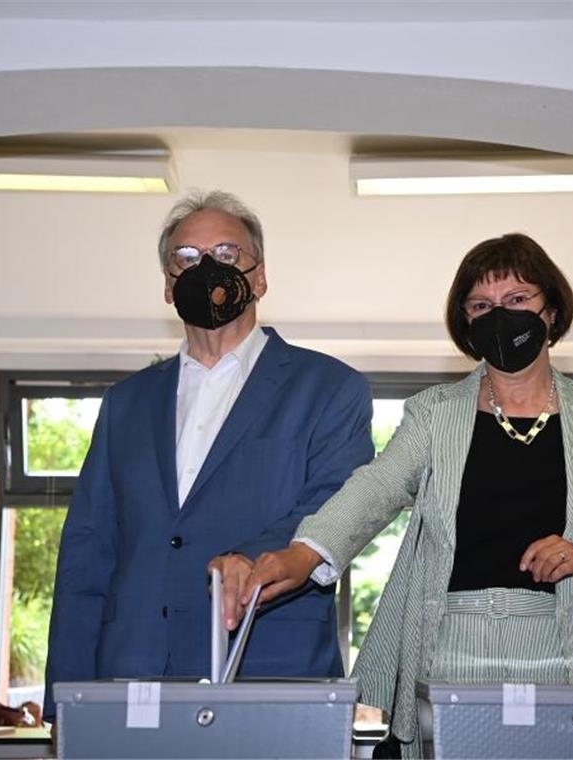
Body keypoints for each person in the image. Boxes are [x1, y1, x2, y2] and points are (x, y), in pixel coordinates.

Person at [228, 232, 573, 756]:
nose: (499, 316)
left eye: (517, 300)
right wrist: (306, 554)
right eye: (481, 305)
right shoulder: (434, 412)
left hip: (571, 652)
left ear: (551, 311)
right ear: (465, 322)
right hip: (451, 643)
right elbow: (376, 487)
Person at [43, 190, 374, 721]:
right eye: (187, 259)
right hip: (132, 680)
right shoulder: (125, 404)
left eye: (225, 254)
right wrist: (64, 704)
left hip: (270, 671)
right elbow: (87, 551)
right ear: (169, 288)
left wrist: (250, 558)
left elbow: (336, 505)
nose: (206, 270)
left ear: (260, 277)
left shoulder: (330, 387)